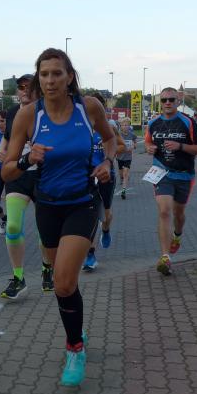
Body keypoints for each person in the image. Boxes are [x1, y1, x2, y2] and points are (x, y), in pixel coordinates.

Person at [3, 48, 116, 386]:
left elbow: (110, 139)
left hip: (83, 202)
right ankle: (75, 326)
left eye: (57, 73)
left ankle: (74, 348)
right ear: (38, 79)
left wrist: (107, 162)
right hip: (48, 206)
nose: (50, 80)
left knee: (64, 282)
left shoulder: (88, 107)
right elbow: (7, 171)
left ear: (69, 77)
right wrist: (27, 159)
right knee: (63, 284)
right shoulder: (28, 116)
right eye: (44, 74)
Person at [0, 74, 53, 298]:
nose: (25, 91)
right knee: (12, 226)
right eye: (21, 87)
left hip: (43, 176)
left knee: (45, 229)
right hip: (18, 176)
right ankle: (18, 278)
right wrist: (3, 149)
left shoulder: (47, 112)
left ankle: (47, 269)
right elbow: (8, 136)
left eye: (29, 87)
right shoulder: (13, 113)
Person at [144, 87, 197, 276]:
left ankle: (177, 235)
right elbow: (148, 141)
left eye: (171, 99)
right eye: (164, 100)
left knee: (178, 214)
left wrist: (180, 146)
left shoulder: (188, 122)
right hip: (161, 172)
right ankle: (165, 257)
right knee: (164, 211)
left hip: (184, 174)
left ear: (178, 101)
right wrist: (149, 148)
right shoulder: (153, 123)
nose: (167, 103)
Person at [83, 94, 122, 271]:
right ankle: (90, 255)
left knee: (106, 216)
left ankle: (105, 230)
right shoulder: (80, 127)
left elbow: (121, 145)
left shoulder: (109, 127)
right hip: (88, 176)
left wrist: (108, 157)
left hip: (106, 175)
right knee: (91, 214)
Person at [117, 117, 137, 199]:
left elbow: (135, 144)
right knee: (121, 174)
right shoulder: (118, 135)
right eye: (123, 125)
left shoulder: (132, 135)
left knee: (125, 173)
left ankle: (123, 190)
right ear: (121, 126)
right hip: (120, 157)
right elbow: (114, 144)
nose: (125, 126)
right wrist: (119, 148)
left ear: (129, 126)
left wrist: (133, 146)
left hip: (128, 157)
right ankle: (121, 178)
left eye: (127, 125)